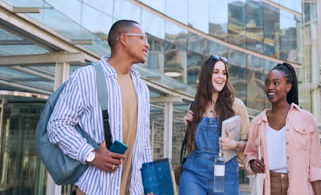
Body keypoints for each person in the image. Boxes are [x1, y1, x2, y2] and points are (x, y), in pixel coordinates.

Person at [48, 20, 153, 195]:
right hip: (95, 189)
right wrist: (92, 155)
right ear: (124, 39)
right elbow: (58, 125)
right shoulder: (87, 76)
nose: (147, 45)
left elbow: (144, 143)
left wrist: (149, 185)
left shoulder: (142, 87)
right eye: (142, 38)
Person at [244, 63, 321, 195]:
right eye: (267, 83)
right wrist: (252, 162)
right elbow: (249, 153)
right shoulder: (258, 122)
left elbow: (315, 167)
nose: (270, 87)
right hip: (268, 187)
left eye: (276, 83)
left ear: (288, 87)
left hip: (299, 188)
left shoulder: (307, 119)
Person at [179, 55, 249, 195]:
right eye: (216, 72)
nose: (221, 77)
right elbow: (191, 148)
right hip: (194, 174)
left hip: (225, 175)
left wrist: (234, 145)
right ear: (207, 75)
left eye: (224, 73)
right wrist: (188, 127)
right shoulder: (195, 106)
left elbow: (249, 145)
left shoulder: (237, 106)